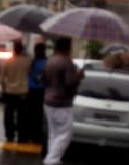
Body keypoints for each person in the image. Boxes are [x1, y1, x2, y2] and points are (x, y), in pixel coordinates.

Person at [43, 37, 84, 165]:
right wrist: (79, 76)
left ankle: (51, 158)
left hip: (48, 100)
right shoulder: (67, 62)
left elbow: (44, 79)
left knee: (53, 133)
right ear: (68, 48)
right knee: (65, 134)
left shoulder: (50, 60)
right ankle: (52, 160)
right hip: (62, 102)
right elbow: (70, 82)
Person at [0, 40, 32, 143]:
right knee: (22, 116)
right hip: (22, 93)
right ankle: (22, 136)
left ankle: (9, 134)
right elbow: (30, 72)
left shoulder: (8, 62)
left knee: (8, 115)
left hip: (10, 92)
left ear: (14, 49)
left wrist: (4, 89)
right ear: (22, 49)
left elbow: (1, 79)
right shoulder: (27, 61)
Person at [26, 42, 47, 144]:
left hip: (32, 89)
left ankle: (30, 134)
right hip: (40, 90)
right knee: (38, 114)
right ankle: (36, 135)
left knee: (31, 113)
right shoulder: (45, 62)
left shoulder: (33, 61)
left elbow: (28, 73)